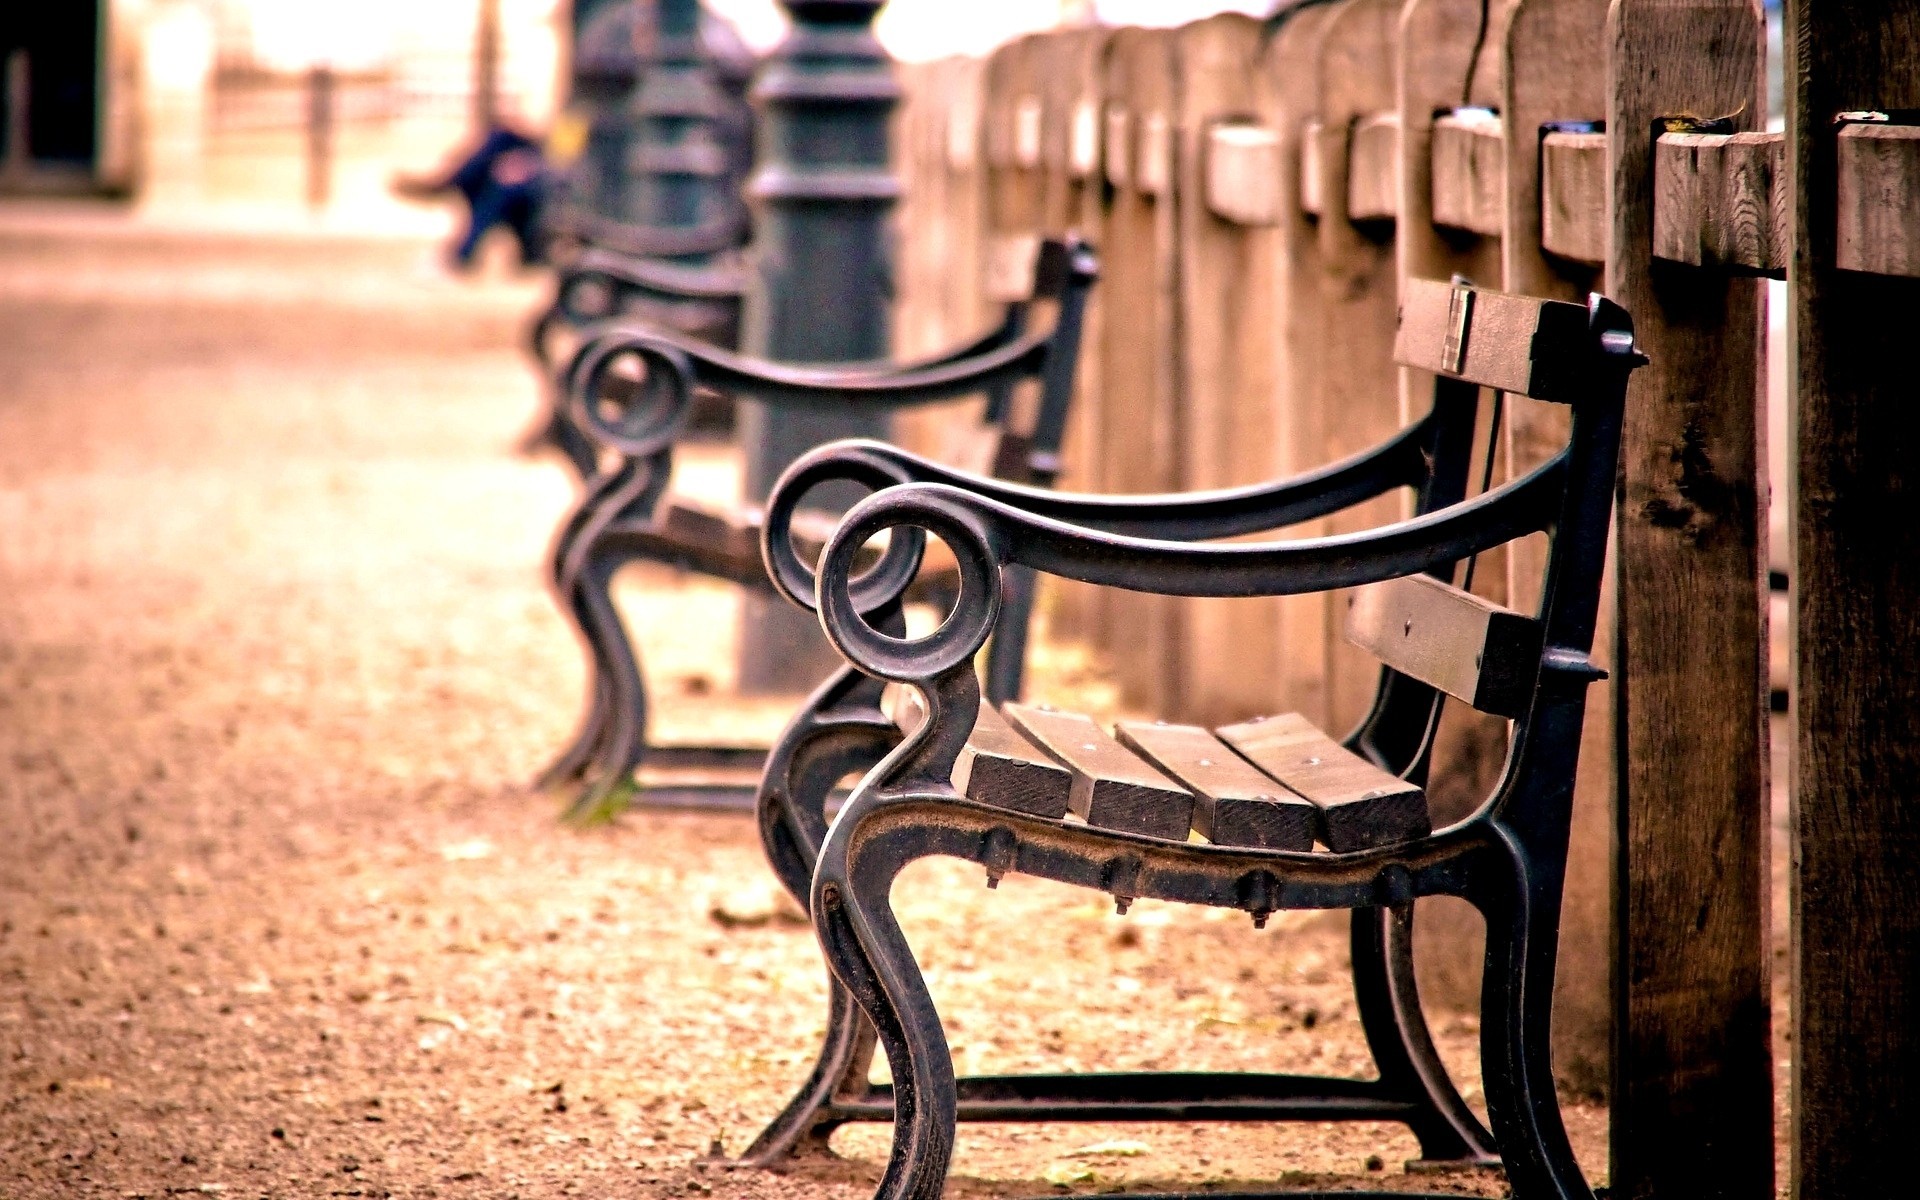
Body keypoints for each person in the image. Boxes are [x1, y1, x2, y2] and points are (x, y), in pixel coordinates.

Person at [394, 123, 552, 270]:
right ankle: (451, 182)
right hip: (542, 159)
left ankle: (447, 183)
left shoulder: (571, 111)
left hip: (550, 176)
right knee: (498, 145)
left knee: (499, 186)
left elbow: (566, 157)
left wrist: (533, 165)